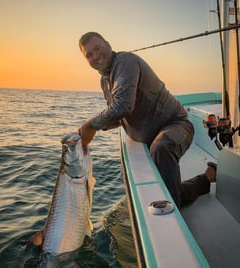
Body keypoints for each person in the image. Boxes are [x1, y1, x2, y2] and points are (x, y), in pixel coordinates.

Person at [78, 32, 216, 208]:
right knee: (161, 161)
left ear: (108, 44)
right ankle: (204, 179)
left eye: (97, 48)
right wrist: (96, 128)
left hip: (177, 125)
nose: (95, 56)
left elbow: (123, 106)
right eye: (89, 54)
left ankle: (174, 207)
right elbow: (119, 115)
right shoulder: (104, 81)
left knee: (161, 148)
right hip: (151, 135)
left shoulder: (126, 61)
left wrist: (91, 125)